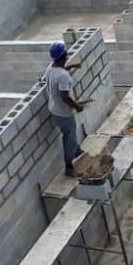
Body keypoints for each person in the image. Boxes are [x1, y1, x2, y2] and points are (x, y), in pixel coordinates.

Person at [45, 41, 89, 176]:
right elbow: (65, 97)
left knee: (70, 134)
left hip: (54, 110)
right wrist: (77, 107)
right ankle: (69, 166)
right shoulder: (63, 77)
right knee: (69, 137)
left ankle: (77, 151)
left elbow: (59, 72)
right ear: (64, 55)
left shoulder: (50, 68)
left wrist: (71, 66)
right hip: (64, 113)